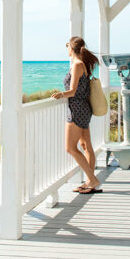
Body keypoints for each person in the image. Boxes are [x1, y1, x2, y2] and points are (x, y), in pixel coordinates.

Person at [51, 36, 102, 194]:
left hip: (77, 110)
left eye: (67, 46)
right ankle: (90, 181)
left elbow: (72, 91)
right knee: (86, 145)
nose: (66, 49)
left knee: (70, 148)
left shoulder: (77, 65)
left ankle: (92, 180)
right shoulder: (83, 64)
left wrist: (61, 94)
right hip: (83, 109)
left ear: (71, 49)